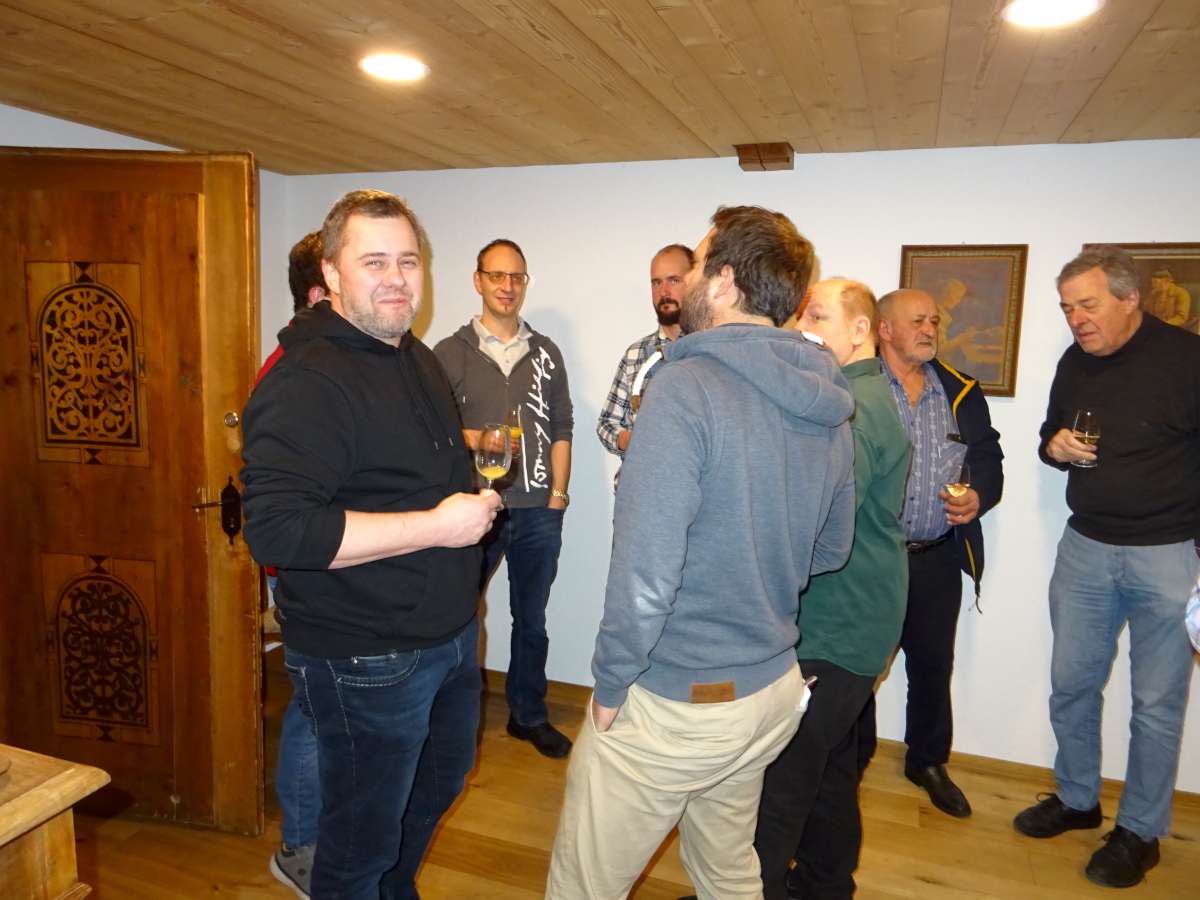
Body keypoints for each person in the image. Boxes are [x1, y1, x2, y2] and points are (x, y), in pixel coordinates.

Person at [546, 206, 856, 900]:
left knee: (583, 886)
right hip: (770, 691)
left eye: (695, 263)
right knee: (727, 870)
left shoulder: (683, 387)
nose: (683, 279)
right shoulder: (826, 398)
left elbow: (645, 572)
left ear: (722, 282)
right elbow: (831, 548)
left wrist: (611, 682)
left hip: (681, 698)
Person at [240, 189, 501, 899]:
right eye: (374, 261)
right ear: (330, 273)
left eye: (408, 261)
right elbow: (278, 530)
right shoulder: (306, 380)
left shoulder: (411, 355)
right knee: (361, 841)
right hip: (365, 656)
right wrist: (440, 526)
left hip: (447, 638)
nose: (397, 279)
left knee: (437, 786)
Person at [1013, 245, 1200, 889]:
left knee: (1155, 704)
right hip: (1086, 548)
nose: (1076, 320)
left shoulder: (1187, 359)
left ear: (1129, 298)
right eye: (1067, 309)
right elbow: (1048, 436)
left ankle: (1140, 832)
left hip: (1168, 556)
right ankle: (1077, 799)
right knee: (1071, 684)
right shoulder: (1074, 361)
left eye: (1087, 305)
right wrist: (1055, 446)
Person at [754, 279, 911, 900]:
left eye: (817, 315)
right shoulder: (858, 395)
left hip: (837, 624)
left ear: (860, 330)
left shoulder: (852, 408)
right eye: (802, 315)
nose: (803, 327)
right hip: (858, 616)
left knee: (784, 775)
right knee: (830, 767)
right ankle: (825, 885)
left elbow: (819, 520)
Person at [434, 239, 575, 758]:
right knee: (459, 615)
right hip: (475, 508)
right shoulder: (449, 353)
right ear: (478, 281)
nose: (507, 286)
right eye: (497, 275)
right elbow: (434, 431)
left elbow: (562, 426)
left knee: (531, 619)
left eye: (516, 277)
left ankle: (528, 715)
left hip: (538, 511)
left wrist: (558, 497)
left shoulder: (547, 353)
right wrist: (478, 439)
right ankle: (456, 719)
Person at [876, 288, 1004, 819]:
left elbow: (988, 457)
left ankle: (926, 761)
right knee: (857, 667)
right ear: (884, 329)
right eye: (917, 321)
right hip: (871, 559)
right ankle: (845, 759)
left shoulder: (959, 390)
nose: (929, 329)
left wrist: (979, 495)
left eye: (933, 320)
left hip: (935, 556)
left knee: (933, 666)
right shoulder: (855, 388)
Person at [258, 230, 327, 898]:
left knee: (324, 705)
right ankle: (298, 849)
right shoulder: (288, 374)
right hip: (304, 576)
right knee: (311, 705)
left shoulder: (315, 365)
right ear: (318, 292)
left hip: (327, 574)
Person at [596, 244, 692, 485]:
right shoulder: (636, 354)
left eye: (674, 280)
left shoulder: (711, 351)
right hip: (639, 494)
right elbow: (607, 423)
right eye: (656, 283)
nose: (664, 291)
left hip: (697, 496)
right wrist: (627, 440)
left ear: (694, 283)